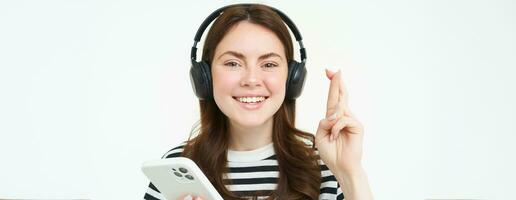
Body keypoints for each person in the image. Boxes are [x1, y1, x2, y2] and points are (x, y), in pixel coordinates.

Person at [144, 3, 373, 200]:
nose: (251, 80)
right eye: (233, 63)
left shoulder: (324, 164)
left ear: (292, 77)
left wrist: (350, 172)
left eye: (269, 64)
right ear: (204, 76)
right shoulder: (179, 169)